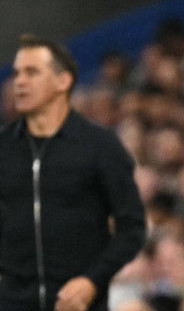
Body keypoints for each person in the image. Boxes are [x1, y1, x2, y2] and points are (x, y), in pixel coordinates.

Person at [0, 35, 146, 311]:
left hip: (78, 303)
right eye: (17, 72)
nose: (18, 81)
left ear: (62, 81)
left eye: (32, 72)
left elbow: (132, 228)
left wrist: (93, 280)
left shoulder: (100, 146)